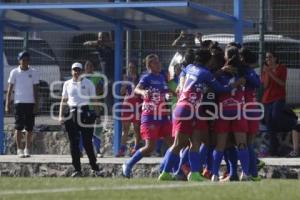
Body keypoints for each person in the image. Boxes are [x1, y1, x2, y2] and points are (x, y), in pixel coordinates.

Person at [122, 54, 173, 178]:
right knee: (150, 147)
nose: (160, 65)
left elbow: (165, 92)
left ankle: (167, 170)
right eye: (156, 63)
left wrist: (168, 95)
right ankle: (128, 164)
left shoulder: (161, 77)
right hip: (150, 116)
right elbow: (136, 90)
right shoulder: (146, 77)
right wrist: (143, 92)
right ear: (150, 65)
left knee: (173, 144)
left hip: (163, 115)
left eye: (159, 62)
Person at [58, 62, 101, 177]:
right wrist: (61, 115)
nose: (76, 72)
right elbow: (63, 100)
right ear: (71, 71)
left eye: (78, 70)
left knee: (87, 143)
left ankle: (95, 168)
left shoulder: (88, 83)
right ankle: (77, 169)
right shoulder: (67, 84)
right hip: (71, 113)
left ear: (82, 72)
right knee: (74, 143)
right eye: (74, 70)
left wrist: (97, 115)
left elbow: (94, 100)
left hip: (85, 113)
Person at [5, 51, 39, 158]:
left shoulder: (33, 72)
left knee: (29, 128)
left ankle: (27, 149)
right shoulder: (14, 72)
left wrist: (36, 104)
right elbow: (10, 90)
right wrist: (7, 104)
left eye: (27, 60)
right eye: (23, 59)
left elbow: (35, 90)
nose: (25, 62)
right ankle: (19, 149)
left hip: (30, 103)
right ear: (19, 60)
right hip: (18, 103)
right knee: (18, 128)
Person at [261, 51, 287, 156]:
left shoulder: (282, 68)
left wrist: (271, 73)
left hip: (279, 97)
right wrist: (267, 72)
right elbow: (265, 86)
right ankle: (273, 149)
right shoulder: (266, 70)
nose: (268, 60)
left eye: (270, 57)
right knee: (268, 122)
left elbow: (282, 83)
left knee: (275, 116)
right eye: (267, 58)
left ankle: (288, 126)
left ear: (276, 58)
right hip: (267, 99)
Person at [83, 32, 114, 114]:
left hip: (115, 76)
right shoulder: (99, 47)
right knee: (108, 102)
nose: (101, 39)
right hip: (106, 78)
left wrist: (106, 43)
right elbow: (86, 44)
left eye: (103, 37)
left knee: (116, 100)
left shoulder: (112, 46)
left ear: (108, 38)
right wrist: (97, 42)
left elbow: (114, 45)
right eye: (99, 37)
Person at [116, 61, 142, 157]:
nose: (131, 69)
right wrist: (125, 83)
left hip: (137, 105)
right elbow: (122, 92)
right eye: (129, 67)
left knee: (136, 128)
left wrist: (135, 82)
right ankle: (122, 149)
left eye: (133, 67)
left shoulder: (140, 79)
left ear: (136, 68)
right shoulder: (126, 79)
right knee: (125, 128)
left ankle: (136, 148)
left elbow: (140, 92)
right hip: (127, 105)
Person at [79, 60, 104, 158]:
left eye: (90, 65)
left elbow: (102, 88)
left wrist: (96, 90)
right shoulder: (80, 78)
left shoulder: (97, 77)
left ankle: (98, 151)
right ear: (84, 68)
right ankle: (80, 151)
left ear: (93, 67)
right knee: (81, 131)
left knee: (96, 130)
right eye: (87, 66)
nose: (88, 67)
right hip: (82, 108)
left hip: (94, 107)